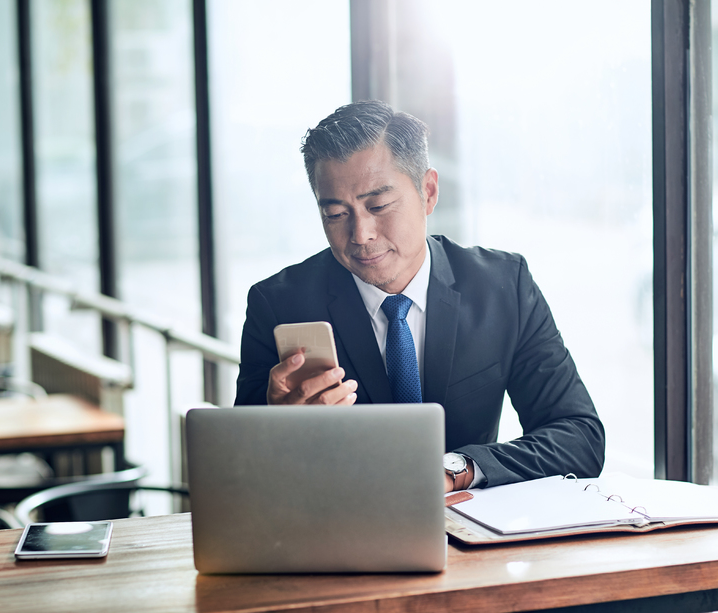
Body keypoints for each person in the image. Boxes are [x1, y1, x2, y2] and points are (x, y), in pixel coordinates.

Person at [234, 100, 605, 492]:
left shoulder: (503, 287)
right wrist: (274, 428)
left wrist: (458, 469)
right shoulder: (277, 305)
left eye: (378, 205)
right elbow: (243, 476)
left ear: (428, 192)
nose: (361, 235)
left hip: (469, 533)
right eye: (336, 214)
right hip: (336, 533)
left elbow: (579, 436)